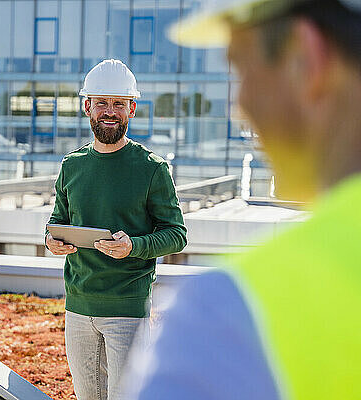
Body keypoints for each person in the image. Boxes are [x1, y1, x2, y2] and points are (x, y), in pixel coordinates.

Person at [124, 0, 361, 399]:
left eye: (242, 68)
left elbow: (174, 234)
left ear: (305, 58)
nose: (240, 108)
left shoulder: (226, 318)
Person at [45, 59, 187, 400]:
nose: (110, 111)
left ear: (132, 109)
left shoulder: (152, 169)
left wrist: (133, 246)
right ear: (87, 107)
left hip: (126, 309)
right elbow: (56, 221)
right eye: (102, 103)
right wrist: (52, 240)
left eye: (118, 104)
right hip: (77, 308)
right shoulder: (72, 166)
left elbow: (176, 234)